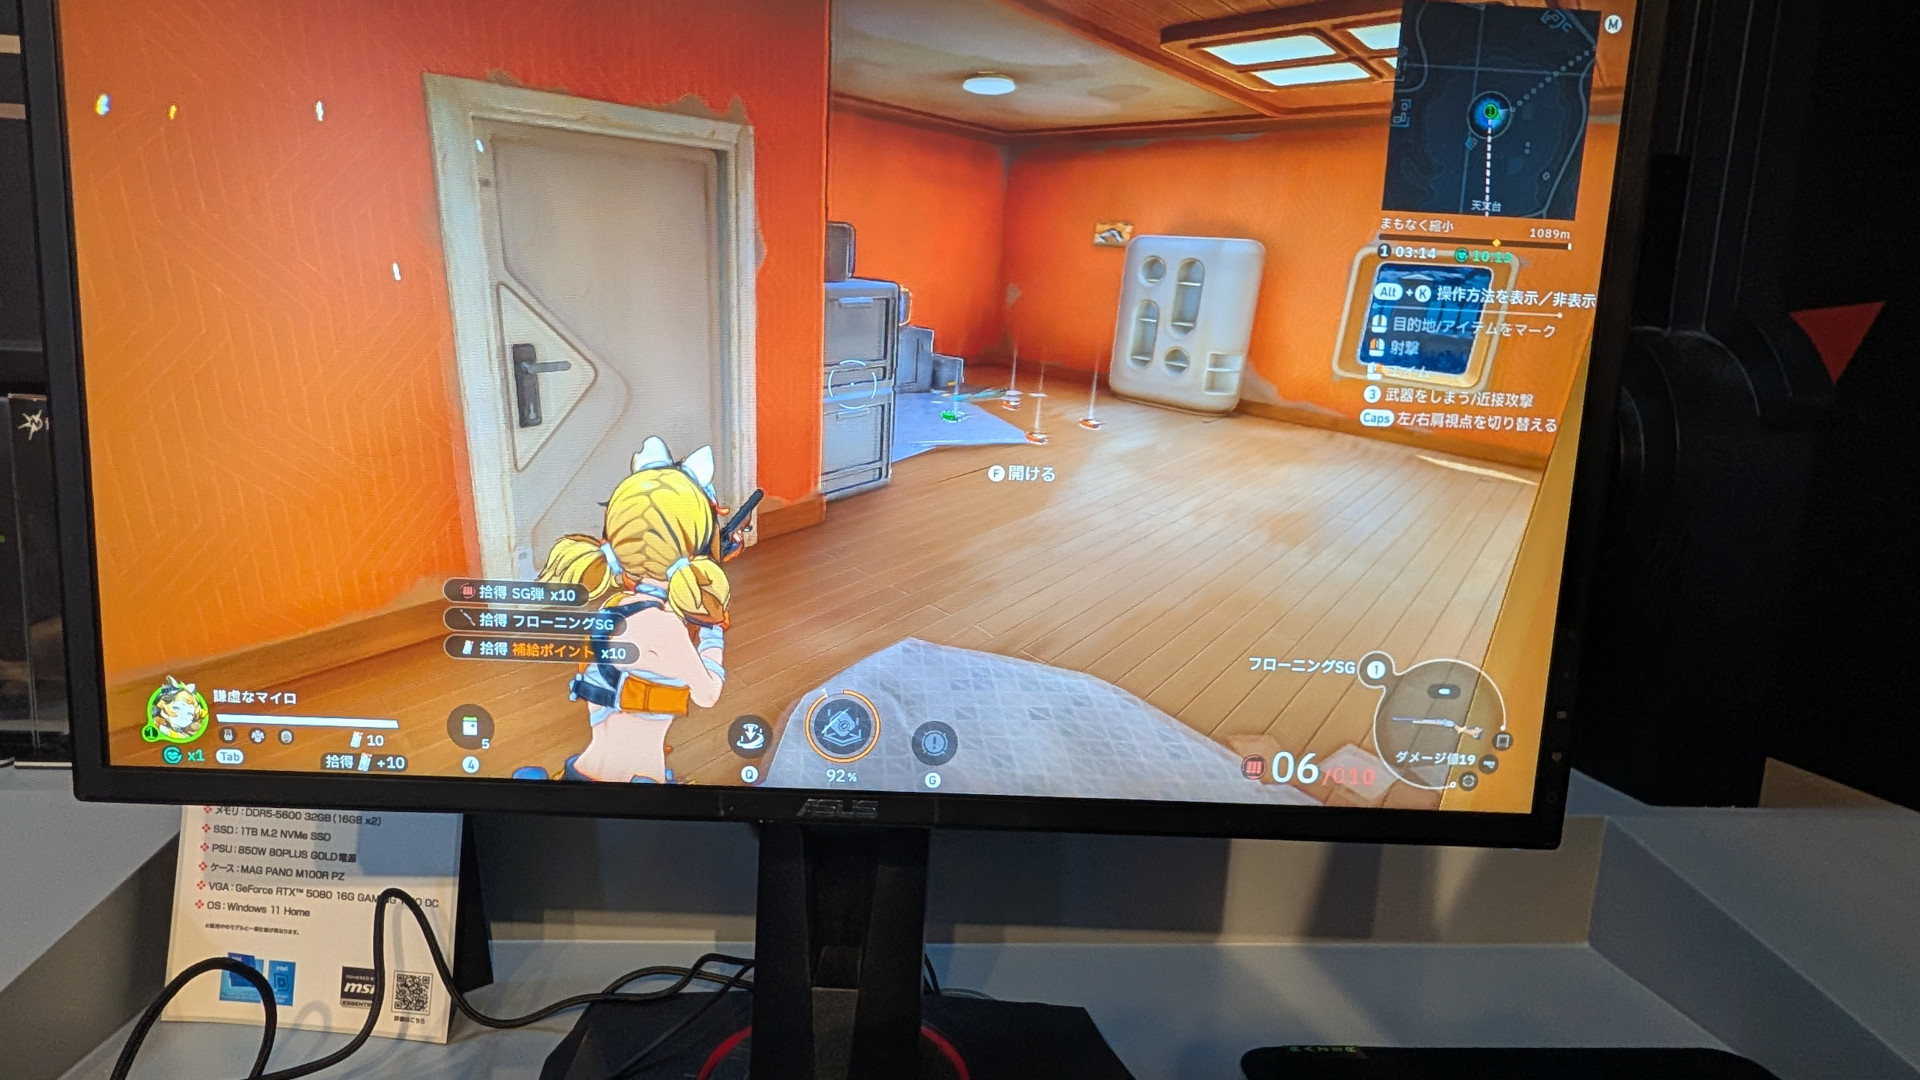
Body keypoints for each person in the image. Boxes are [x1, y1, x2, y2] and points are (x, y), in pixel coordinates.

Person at [513, 438, 731, 783]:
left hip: (580, 773)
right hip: (637, 785)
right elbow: (707, 694)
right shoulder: (664, 628)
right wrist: (712, 633)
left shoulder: (612, 609)